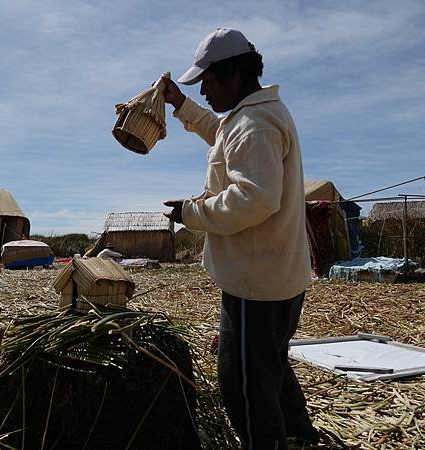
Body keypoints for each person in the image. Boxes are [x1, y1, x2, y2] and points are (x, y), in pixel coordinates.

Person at [162, 28, 318, 449]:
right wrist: (181, 106)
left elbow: (254, 199)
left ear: (233, 75)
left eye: (208, 83)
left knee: (243, 385)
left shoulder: (256, 123)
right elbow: (220, 133)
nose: (206, 91)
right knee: (270, 364)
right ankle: (299, 432)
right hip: (276, 277)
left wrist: (190, 212)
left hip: (256, 284)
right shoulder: (251, 115)